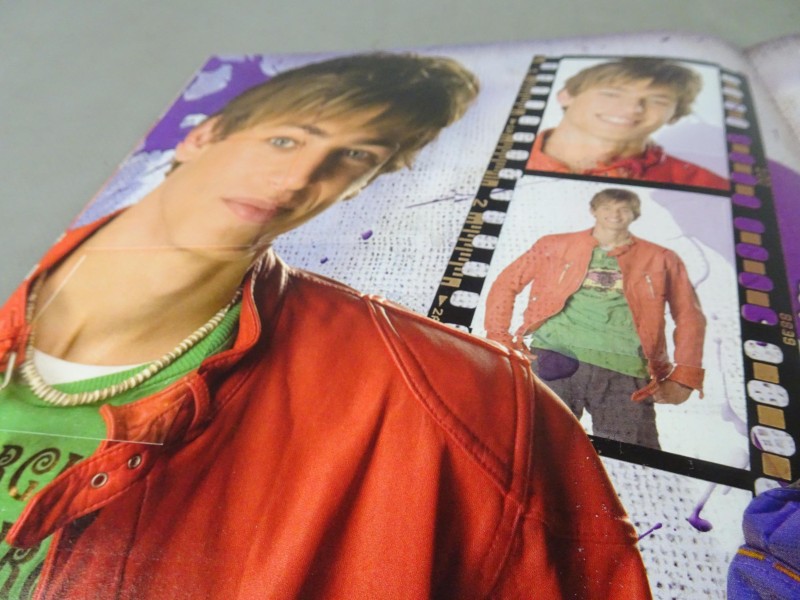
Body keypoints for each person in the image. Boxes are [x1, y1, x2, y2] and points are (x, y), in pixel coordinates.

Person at [0, 54, 650, 598]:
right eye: (286, 139)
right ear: (204, 135)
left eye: (352, 156)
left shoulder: (463, 401)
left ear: (362, 184)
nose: (298, 177)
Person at [485, 188, 706, 450]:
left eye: (623, 209)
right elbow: (507, 283)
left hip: (625, 369)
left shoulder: (661, 258)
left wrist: (685, 377)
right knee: (531, 449)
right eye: (607, 208)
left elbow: (689, 316)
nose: (615, 215)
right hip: (554, 357)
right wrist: (499, 337)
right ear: (594, 211)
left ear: (635, 214)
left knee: (635, 462)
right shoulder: (553, 245)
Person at [526, 57, 729, 190]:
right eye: (612, 94)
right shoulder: (509, 152)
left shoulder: (706, 184)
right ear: (566, 96)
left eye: (658, 100)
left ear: (675, 115)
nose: (633, 108)